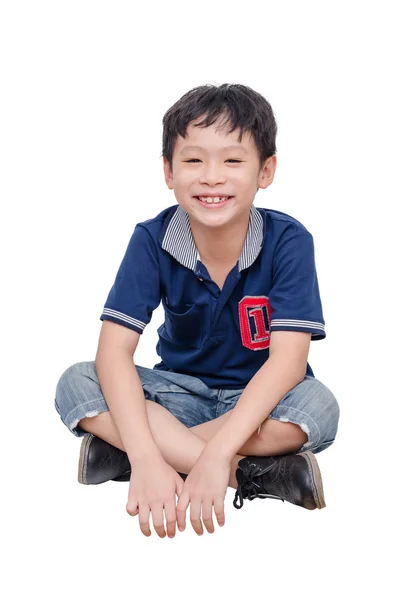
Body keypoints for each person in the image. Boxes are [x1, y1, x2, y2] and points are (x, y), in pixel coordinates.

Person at [54, 83, 340, 539]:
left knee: (317, 405)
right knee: (78, 381)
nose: (211, 177)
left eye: (232, 160)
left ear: (265, 171)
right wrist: (155, 459)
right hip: (178, 397)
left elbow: (288, 362)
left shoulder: (289, 240)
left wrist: (203, 450)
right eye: (193, 160)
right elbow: (113, 354)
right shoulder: (152, 239)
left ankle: (125, 449)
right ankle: (250, 476)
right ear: (168, 171)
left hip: (259, 404)